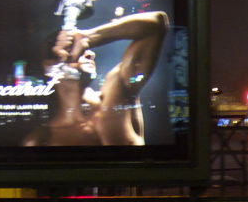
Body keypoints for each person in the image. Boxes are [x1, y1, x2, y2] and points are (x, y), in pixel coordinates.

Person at [23, 10, 170, 147]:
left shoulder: (118, 91)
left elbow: (157, 23)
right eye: (73, 49)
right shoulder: (41, 139)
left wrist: (90, 37)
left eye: (86, 49)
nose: (90, 54)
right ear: (50, 66)